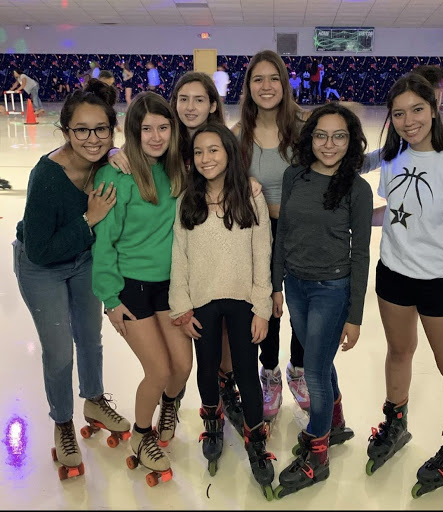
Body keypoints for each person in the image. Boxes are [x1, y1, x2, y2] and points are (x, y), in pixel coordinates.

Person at [366, 73, 443, 498]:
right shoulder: (393, 156)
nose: (408, 120)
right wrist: (358, 219)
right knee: (399, 352)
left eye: (416, 109)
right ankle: (395, 424)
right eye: (398, 113)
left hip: (441, 282)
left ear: (434, 107)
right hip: (393, 275)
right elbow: (398, 212)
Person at [106, 72, 250, 437]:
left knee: (220, 338)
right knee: (180, 355)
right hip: (168, 271)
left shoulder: (220, 141)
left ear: (213, 104)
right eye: (182, 99)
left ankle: (221, 389)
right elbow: (106, 236)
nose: (190, 106)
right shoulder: (163, 151)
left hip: (211, 260)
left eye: (199, 99)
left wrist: (246, 182)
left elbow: (233, 177)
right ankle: (176, 404)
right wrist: (113, 152)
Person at [12, 79, 130, 479]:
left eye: (101, 129)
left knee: (90, 335)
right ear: (65, 132)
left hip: (82, 261)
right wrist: (88, 219)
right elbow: (40, 250)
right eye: (81, 130)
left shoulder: (104, 161)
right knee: (60, 349)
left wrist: (115, 152)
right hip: (40, 266)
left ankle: (94, 399)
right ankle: (63, 423)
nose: (92, 138)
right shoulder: (46, 177)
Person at [271, 103, 373, 499]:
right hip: (295, 285)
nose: (329, 145)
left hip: (333, 289)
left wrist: (355, 314)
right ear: (309, 137)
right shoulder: (294, 175)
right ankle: (335, 422)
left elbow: (361, 253)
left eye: (339, 136)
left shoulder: (356, 189)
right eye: (321, 135)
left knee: (312, 370)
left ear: (352, 141)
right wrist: (276, 282)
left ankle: (317, 455)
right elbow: (283, 234)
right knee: (320, 360)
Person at [169, 122, 276, 498]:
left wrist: (262, 306)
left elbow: (262, 252)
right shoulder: (188, 199)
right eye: (198, 152)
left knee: (247, 371)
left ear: (229, 152)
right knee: (209, 365)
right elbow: (179, 256)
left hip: (243, 299)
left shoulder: (249, 195)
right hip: (202, 300)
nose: (206, 158)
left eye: (214, 150)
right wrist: (181, 305)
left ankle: (256, 437)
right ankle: (212, 418)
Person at [91, 91, 191, 483]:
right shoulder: (115, 174)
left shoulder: (178, 169)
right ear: (133, 131)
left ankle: (170, 404)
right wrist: (110, 299)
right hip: (129, 287)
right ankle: (141, 434)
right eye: (146, 128)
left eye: (163, 127)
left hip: (168, 286)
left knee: (182, 367)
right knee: (159, 368)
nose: (155, 136)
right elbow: (103, 244)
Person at [233, 49, 312, 425]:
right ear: (248, 86)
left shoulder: (304, 126)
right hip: (258, 234)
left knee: (300, 305)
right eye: (258, 79)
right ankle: (271, 374)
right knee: (266, 307)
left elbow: (341, 160)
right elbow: (209, 169)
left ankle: (298, 369)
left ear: (285, 83)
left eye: (273, 78)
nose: (266, 86)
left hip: (299, 231)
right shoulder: (239, 134)